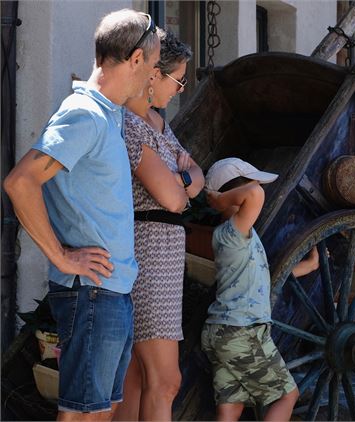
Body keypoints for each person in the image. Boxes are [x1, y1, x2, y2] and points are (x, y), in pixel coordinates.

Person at [3, 9, 160, 420]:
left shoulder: (108, 115)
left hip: (110, 292)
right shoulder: (85, 115)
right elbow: (21, 182)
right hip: (92, 292)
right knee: (82, 415)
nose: (154, 78)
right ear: (136, 59)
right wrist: (60, 256)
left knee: (101, 411)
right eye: (155, 65)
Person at [112, 29, 204, 421]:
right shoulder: (131, 127)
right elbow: (174, 196)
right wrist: (184, 181)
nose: (180, 89)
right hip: (146, 251)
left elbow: (198, 174)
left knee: (137, 377)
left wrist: (183, 182)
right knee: (165, 380)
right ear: (153, 75)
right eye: (178, 79)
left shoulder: (159, 124)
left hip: (163, 252)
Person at [200, 158, 319, 421]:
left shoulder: (239, 235)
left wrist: (308, 267)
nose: (256, 187)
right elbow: (255, 194)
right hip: (241, 331)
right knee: (286, 395)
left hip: (222, 333)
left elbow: (258, 276)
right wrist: (220, 200)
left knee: (231, 408)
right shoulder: (232, 232)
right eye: (250, 182)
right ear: (235, 194)